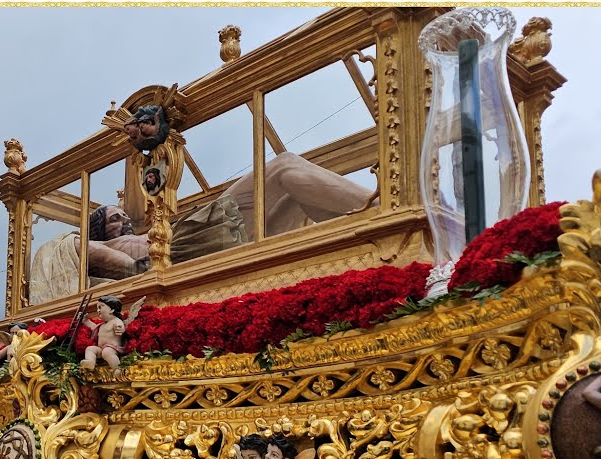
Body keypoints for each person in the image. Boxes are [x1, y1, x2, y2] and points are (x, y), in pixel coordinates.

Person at [29, 153, 372, 304]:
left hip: (205, 241)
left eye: (124, 214)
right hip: (195, 241)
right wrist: (142, 268)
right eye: (113, 218)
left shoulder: (135, 235)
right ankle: (382, 205)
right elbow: (88, 250)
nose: (124, 220)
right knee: (284, 165)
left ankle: (366, 227)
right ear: (99, 229)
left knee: (297, 196)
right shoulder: (94, 245)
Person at [80, 296, 128, 370]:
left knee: (107, 352)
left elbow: (120, 325)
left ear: (112, 309)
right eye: (97, 308)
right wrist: (86, 321)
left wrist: (120, 328)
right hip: (101, 349)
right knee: (90, 349)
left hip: (113, 348)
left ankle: (117, 369)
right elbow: (94, 328)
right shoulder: (102, 325)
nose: (98, 310)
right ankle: (90, 362)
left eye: (100, 307)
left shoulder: (115, 321)